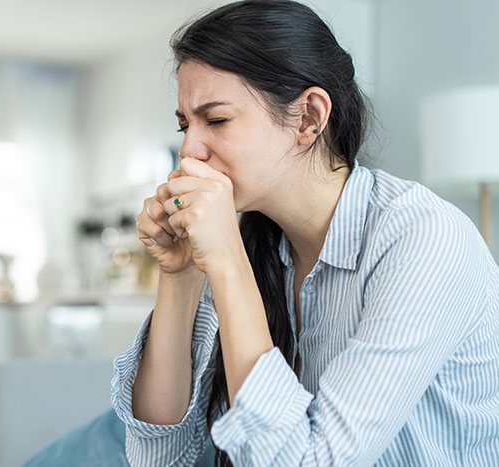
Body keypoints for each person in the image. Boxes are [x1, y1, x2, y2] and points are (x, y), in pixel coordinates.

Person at [111, 0, 499, 466]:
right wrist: (180, 276)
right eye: (184, 125)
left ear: (310, 117)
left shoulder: (424, 238)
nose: (189, 151)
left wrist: (229, 264)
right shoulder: (251, 242)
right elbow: (161, 457)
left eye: (216, 120)